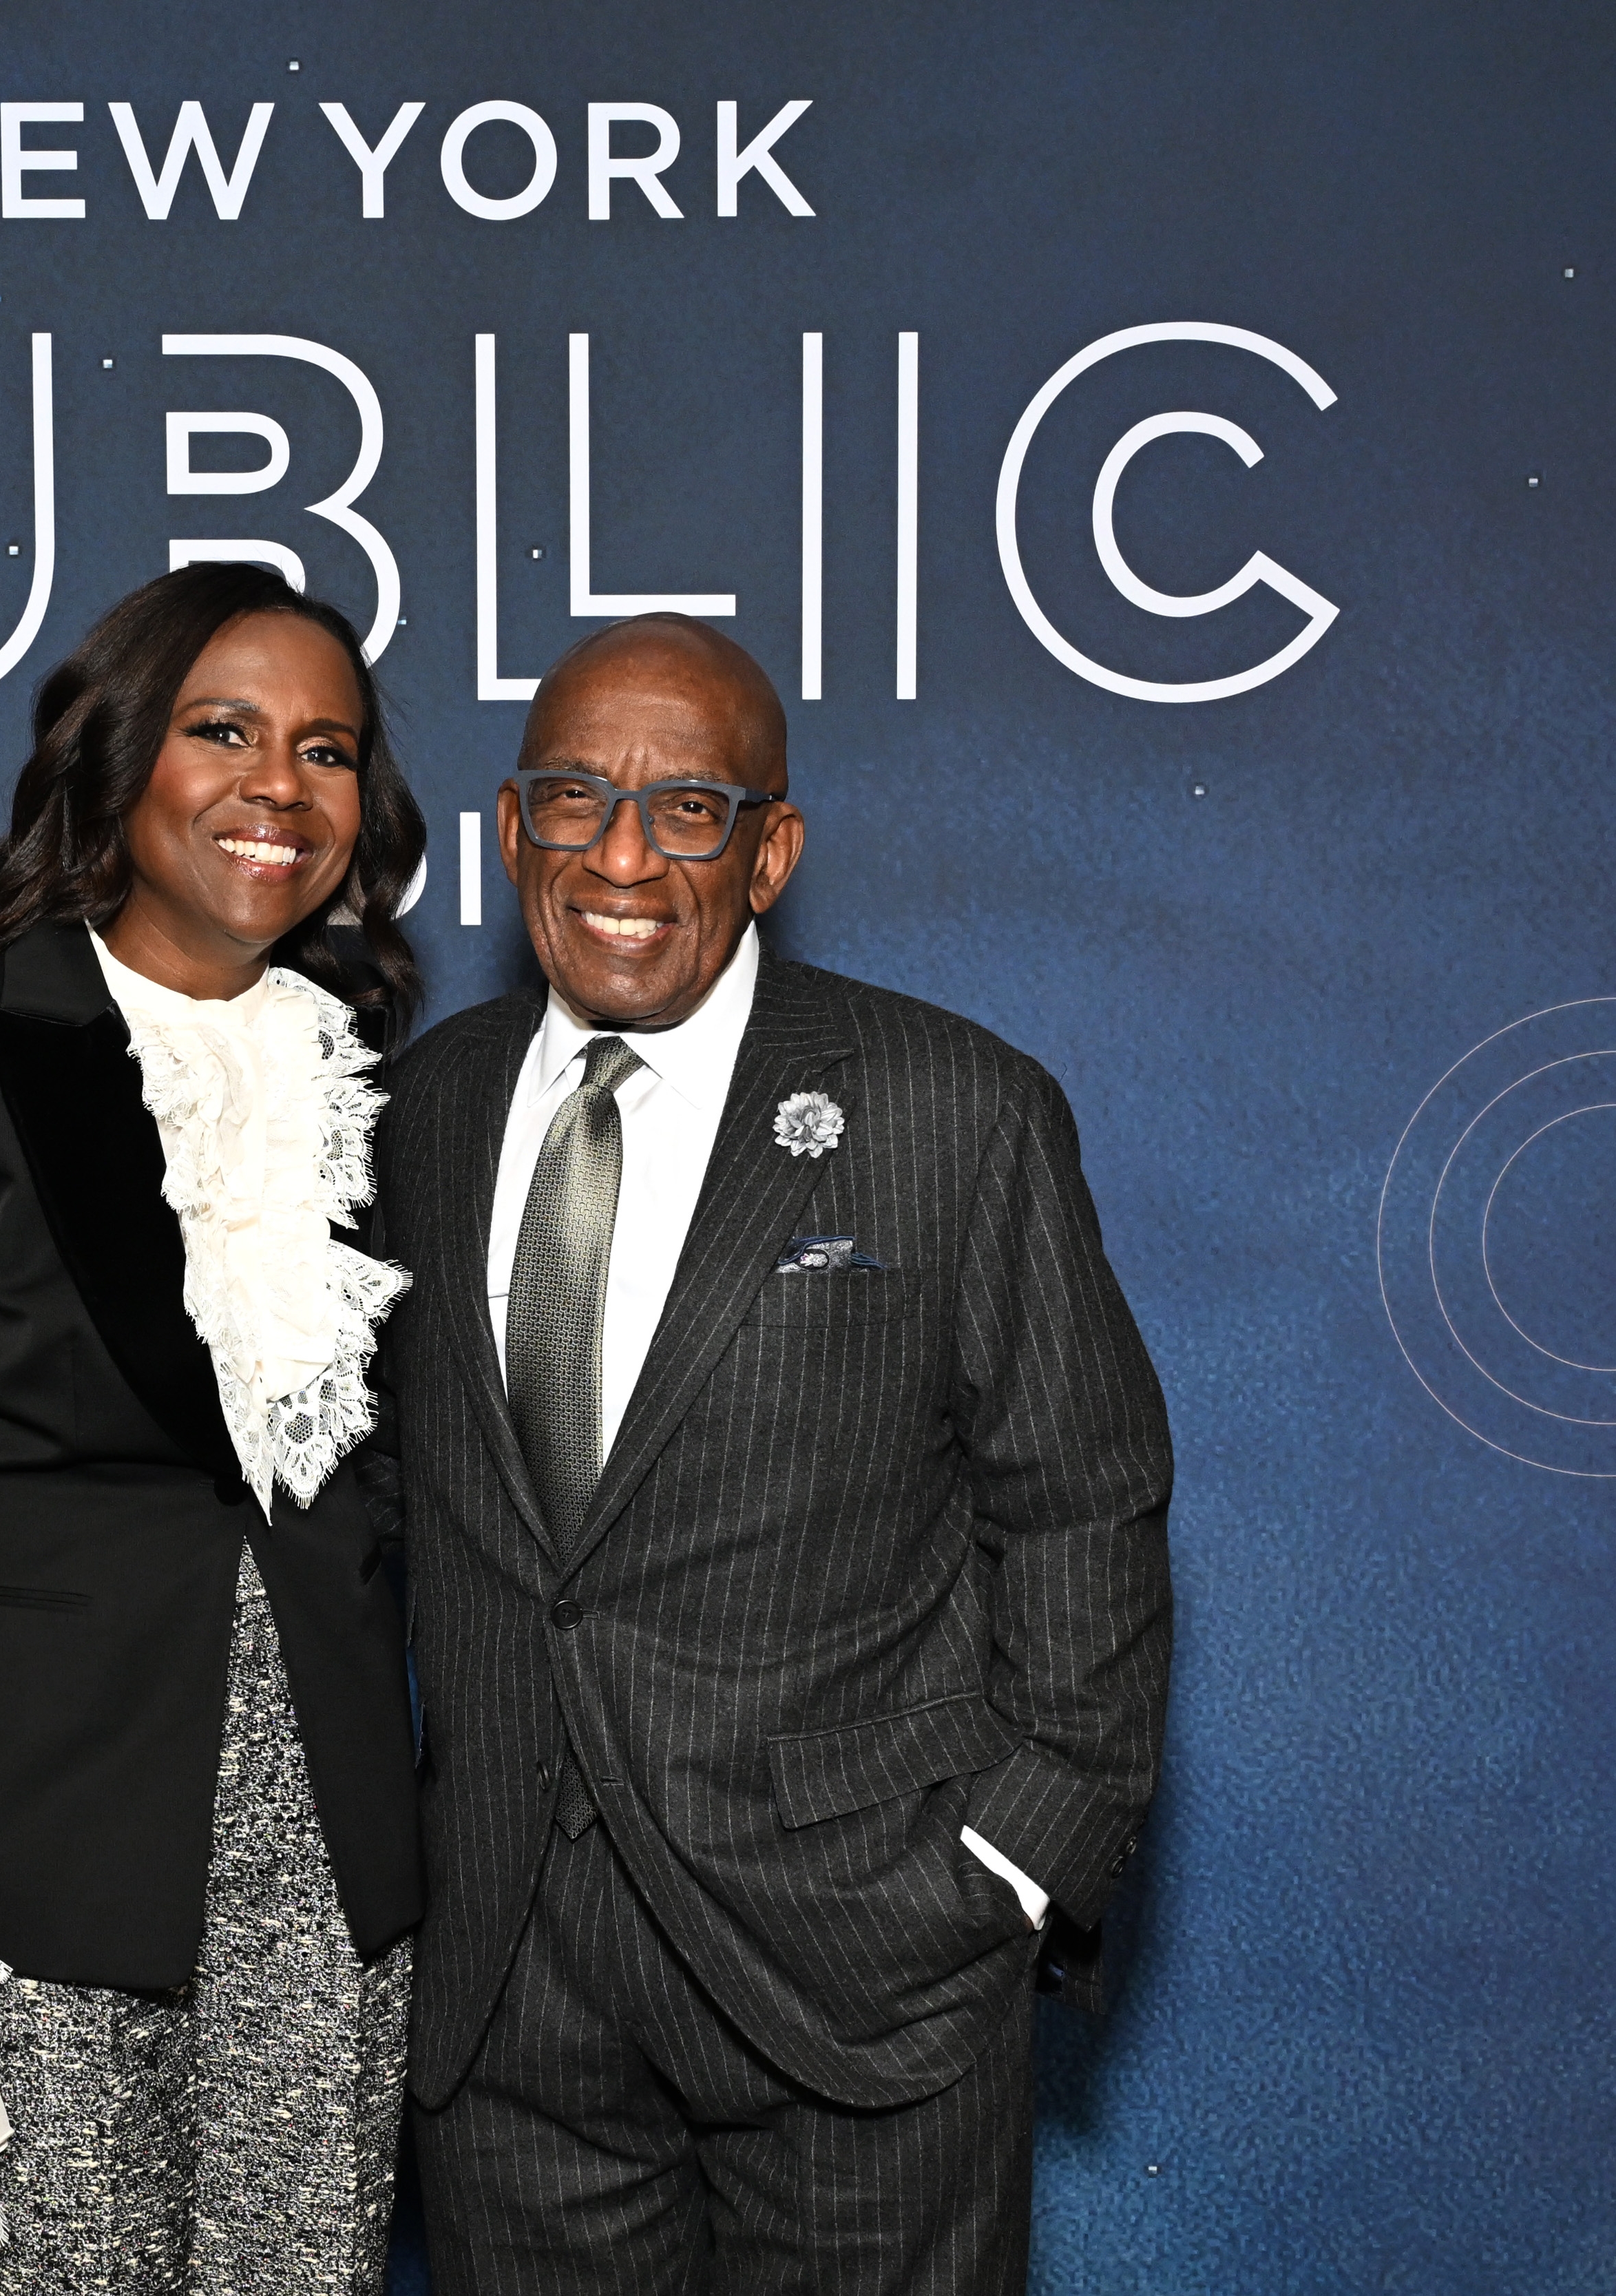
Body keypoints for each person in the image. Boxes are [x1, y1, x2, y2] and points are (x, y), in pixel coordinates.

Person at [368, 616, 1173, 2294]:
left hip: (859, 1968)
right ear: (508, 830)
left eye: (687, 808)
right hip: (510, 1994)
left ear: (770, 848)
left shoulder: (954, 1107)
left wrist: (1012, 1862)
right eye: (572, 795)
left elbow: (1083, 1497)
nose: (619, 852)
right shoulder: (415, 1114)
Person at [0, 564, 429, 2295]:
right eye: (224, 729)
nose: (282, 784)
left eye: (327, 749)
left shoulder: (374, 1086)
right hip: (27, 1871)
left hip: (323, 1870)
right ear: (116, 759)